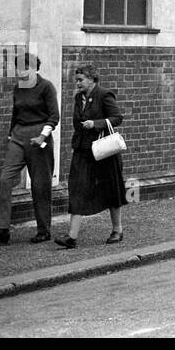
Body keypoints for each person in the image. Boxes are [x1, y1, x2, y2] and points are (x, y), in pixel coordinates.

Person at [0, 52, 60, 246]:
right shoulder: (18, 88)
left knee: (40, 185)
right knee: (5, 180)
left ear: (35, 69)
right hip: (18, 135)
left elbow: (54, 116)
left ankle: (43, 230)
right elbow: (16, 114)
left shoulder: (46, 87)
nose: (21, 72)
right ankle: (1, 229)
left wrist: (42, 135)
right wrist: (10, 136)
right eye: (18, 68)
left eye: (25, 68)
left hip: (39, 135)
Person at [55, 64, 127, 248]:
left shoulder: (104, 94)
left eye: (80, 80)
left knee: (111, 188)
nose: (77, 83)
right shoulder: (79, 97)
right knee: (77, 188)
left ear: (92, 79)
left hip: (104, 151)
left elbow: (117, 117)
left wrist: (96, 123)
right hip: (84, 150)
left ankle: (117, 230)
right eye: (76, 80)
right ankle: (71, 237)